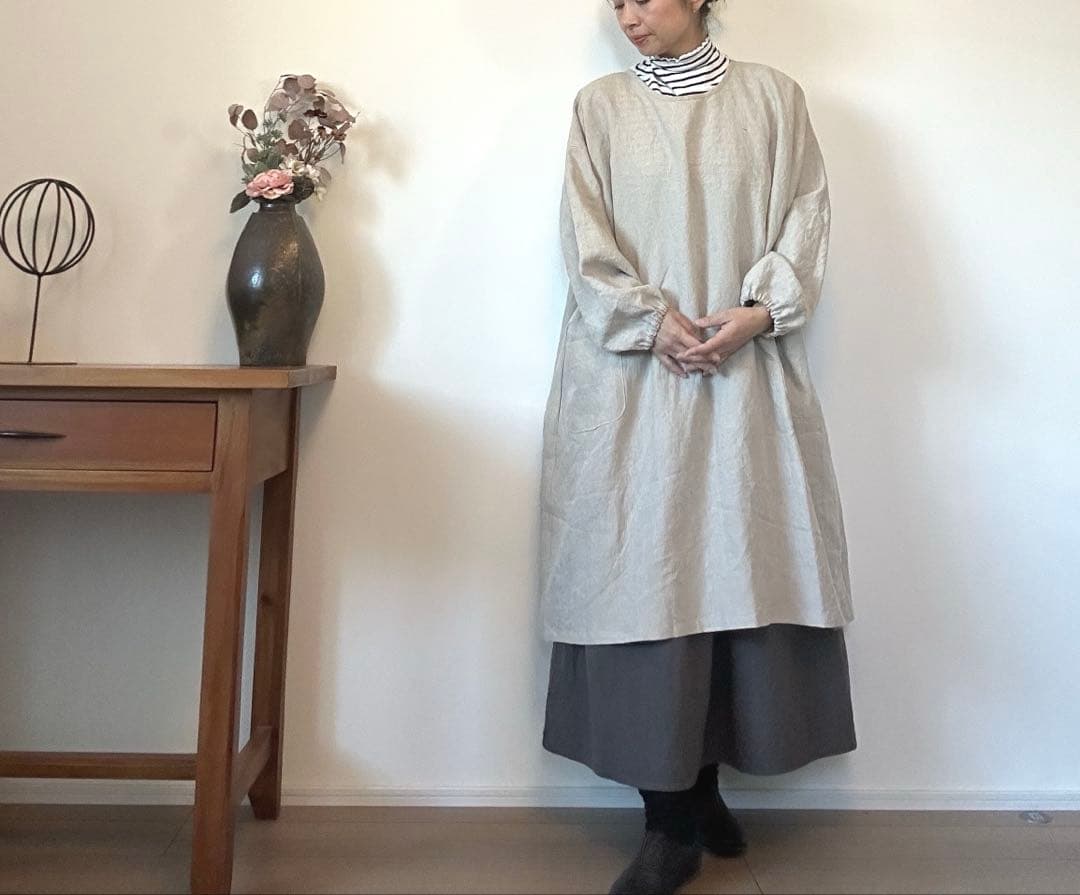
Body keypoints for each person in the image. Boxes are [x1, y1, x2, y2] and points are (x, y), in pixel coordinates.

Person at [537, 1, 858, 892]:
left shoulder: (774, 99)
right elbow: (585, 239)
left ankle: (704, 790)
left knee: (733, 571)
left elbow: (805, 216)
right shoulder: (601, 107)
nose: (628, 15)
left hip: (746, 377)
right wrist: (652, 321)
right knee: (646, 580)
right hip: (632, 382)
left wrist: (758, 312)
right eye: (616, 1)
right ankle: (669, 822)